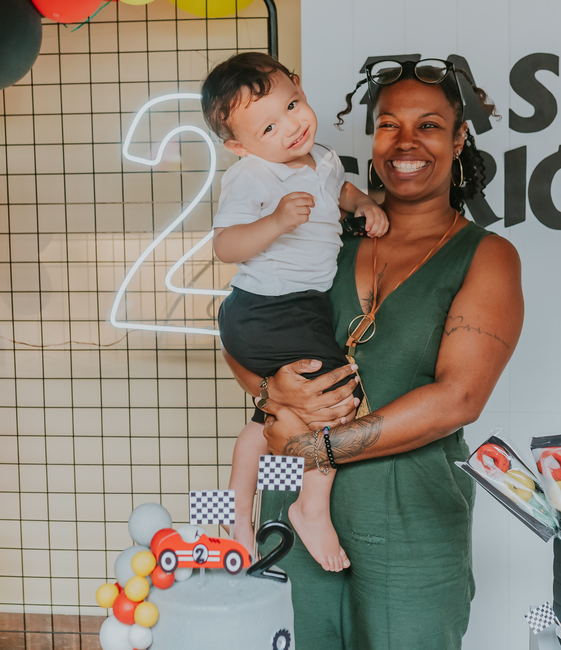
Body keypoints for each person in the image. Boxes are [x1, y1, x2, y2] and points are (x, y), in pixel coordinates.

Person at [223, 56, 524, 649]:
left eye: (430, 125)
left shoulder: (486, 257)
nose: (405, 141)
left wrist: (321, 444)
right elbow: (247, 332)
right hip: (293, 510)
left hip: (411, 525)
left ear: (460, 138)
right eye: (389, 124)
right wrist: (268, 392)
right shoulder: (320, 238)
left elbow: (458, 398)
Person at [202, 52, 389, 572]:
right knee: (335, 396)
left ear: (301, 87)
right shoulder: (253, 176)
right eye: (268, 126)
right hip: (268, 309)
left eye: (292, 105)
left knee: (266, 423)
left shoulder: (321, 159)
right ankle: (311, 506)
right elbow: (226, 246)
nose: (290, 127)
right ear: (239, 145)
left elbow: (340, 191)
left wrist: (365, 206)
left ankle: (238, 523)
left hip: (288, 309)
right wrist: (277, 223)